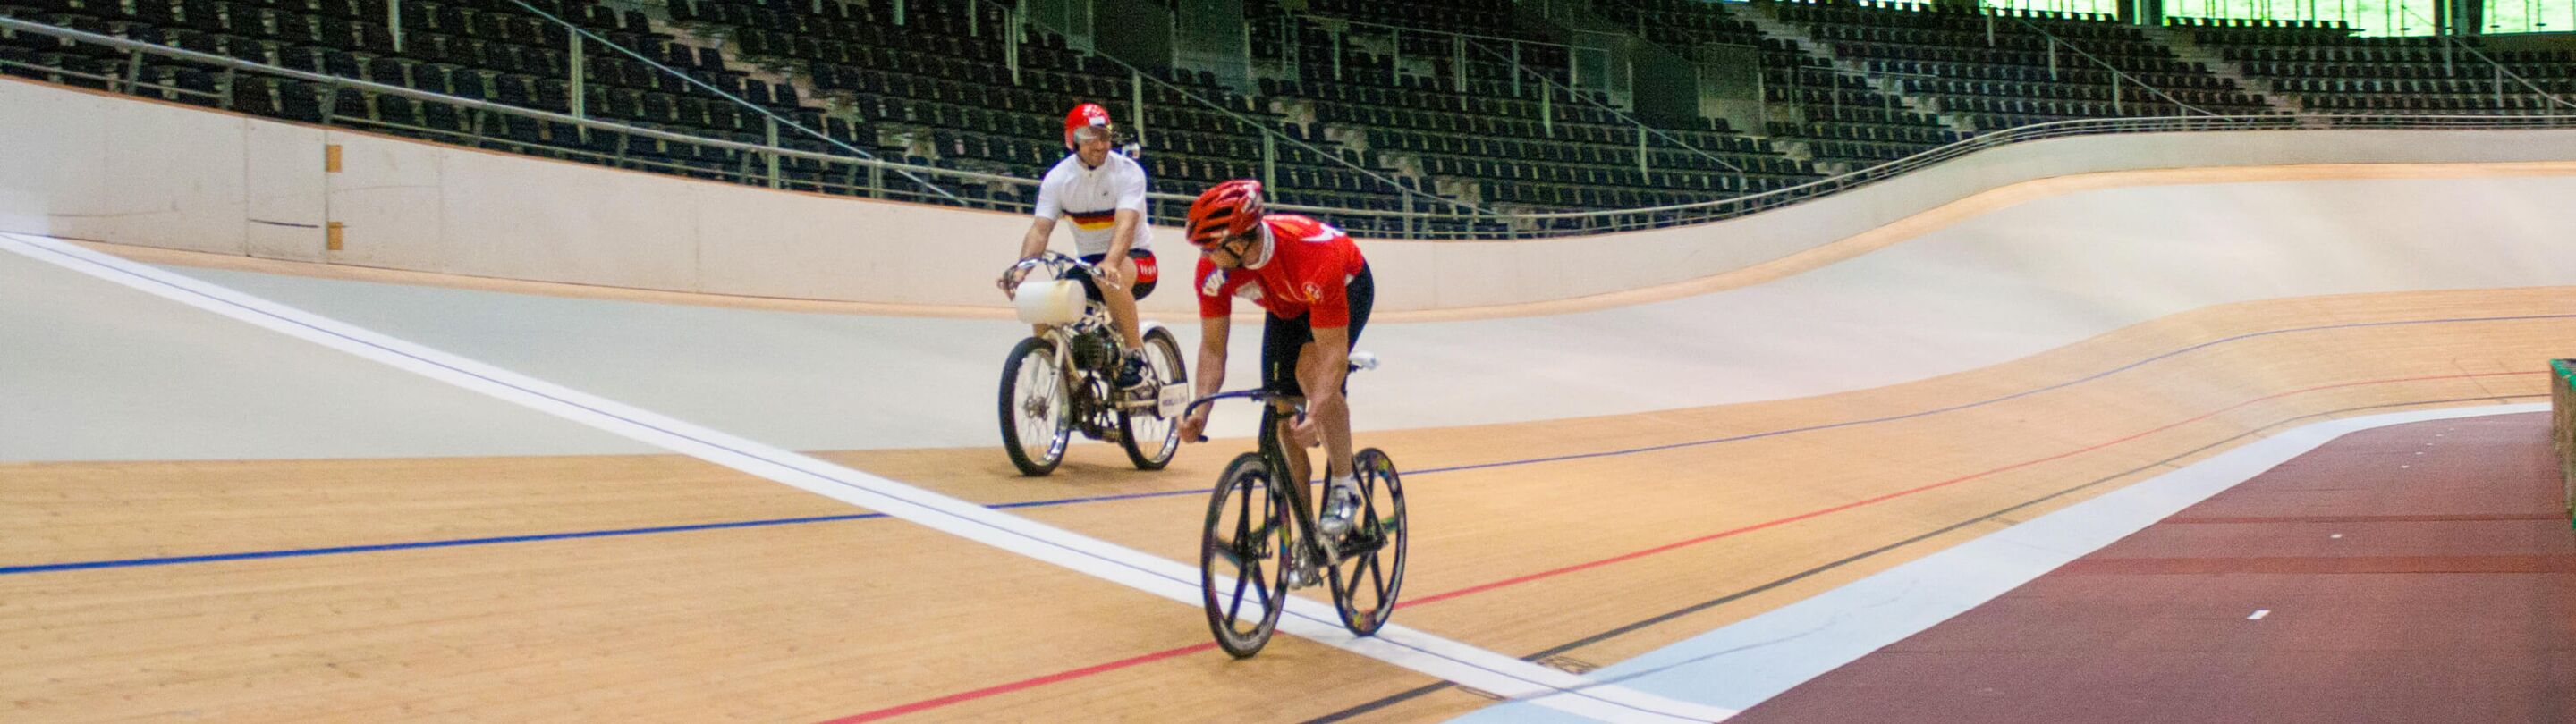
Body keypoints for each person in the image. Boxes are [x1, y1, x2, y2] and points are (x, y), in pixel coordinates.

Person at [1174, 179, 1375, 539]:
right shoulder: (1213, 271)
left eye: (1211, 248)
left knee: (1311, 373)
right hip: (1285, 302)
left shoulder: (1312, 258)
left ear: (1239, 241)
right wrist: (1200, 411)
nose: (1205, 258)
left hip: (1345, 285)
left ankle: (1345, 486)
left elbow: (1333, 356)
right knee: (1282, 413)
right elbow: (1213, 349)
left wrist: (1315, 412)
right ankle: (1308, 538)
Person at [1003, 102, 1157, 389]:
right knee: (1047, 304)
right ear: (1072, 139)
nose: (1100, 145)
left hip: (1136, 259)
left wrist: (1111, 262)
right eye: (1090, 137)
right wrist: (1021, 269)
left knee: (1104, 277)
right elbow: (1039, 230)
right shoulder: (1058, 179)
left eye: (1105, 136)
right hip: (1090, 263)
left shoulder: (1128, 172)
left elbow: (1126, 225)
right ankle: (1064, 381)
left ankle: (1135, 353)